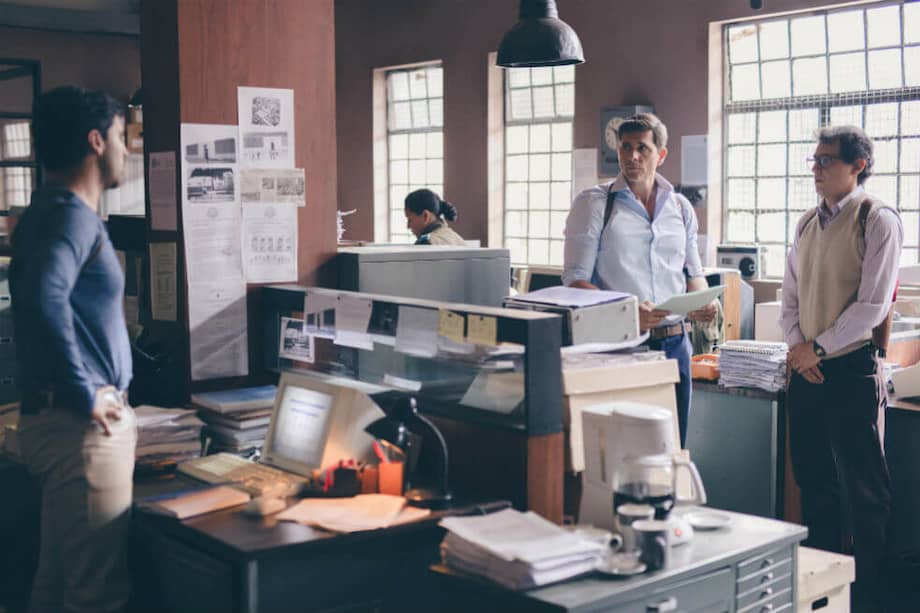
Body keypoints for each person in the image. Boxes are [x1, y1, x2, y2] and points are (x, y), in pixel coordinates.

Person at [10, 86, 134, 613]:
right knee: (98, 596)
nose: (127, 149)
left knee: (56, 588)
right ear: (95, 141)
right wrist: (86, 393)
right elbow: (44, 295)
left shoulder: (46, 209)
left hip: (54, 425)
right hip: (81, 431)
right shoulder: (74, 217)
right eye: (122, 137)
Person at [781, 125, 900, 613]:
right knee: (815, 482)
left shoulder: (876, 219)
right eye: (814, 160)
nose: (817, 169)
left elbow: (872, 306)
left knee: (864, 490)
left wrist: (819, 349)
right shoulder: (807, 222)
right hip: (807, 373)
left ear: (859, 166)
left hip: (851, 371)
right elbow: (790, 298)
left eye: (827, 160)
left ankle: (868, 594)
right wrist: (797, 348)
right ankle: (823, 588)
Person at [562, 113, 716, 448]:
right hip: (621, 344)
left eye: (642, 149)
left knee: (673, 446)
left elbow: (694, 274)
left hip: (676, 345)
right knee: (623, 450)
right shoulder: (594, 204)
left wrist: (704, 300)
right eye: (625, 147)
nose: (632, 157)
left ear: (660, 155)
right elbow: (574, 282)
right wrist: (628, 310)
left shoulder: (681, 207)